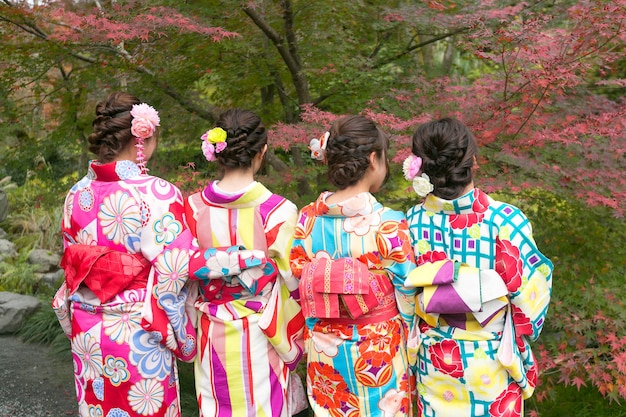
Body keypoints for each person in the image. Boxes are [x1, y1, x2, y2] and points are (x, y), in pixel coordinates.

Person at [52, 92, 197, 417]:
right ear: (142, 137)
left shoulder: (76, 195)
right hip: (139, 335)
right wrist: (184, 337)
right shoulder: (159, 193)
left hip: (88, 334)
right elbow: (174, 275)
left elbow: (74, 271)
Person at [403, 117, 553, 416]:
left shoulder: (410, 222)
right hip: (493, 363)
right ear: (473, 161)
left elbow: (403, 299)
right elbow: (530, 304)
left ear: (421, 166)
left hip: (434, 363)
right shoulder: (505, 220)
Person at [290, 115, 417, 417]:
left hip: (325, 351)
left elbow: (298, 284)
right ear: (374, 159)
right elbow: (408, 292)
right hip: (378, 353)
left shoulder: (307, 219)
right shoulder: (388, 223)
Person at [184, 109, 304, 417]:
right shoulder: (278, 211)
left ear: (217, 153)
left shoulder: (194, 208)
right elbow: (294, 284)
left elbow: (181, 276)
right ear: (261, 152)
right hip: (263, 330)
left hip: (211, 329)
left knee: (216, 406)